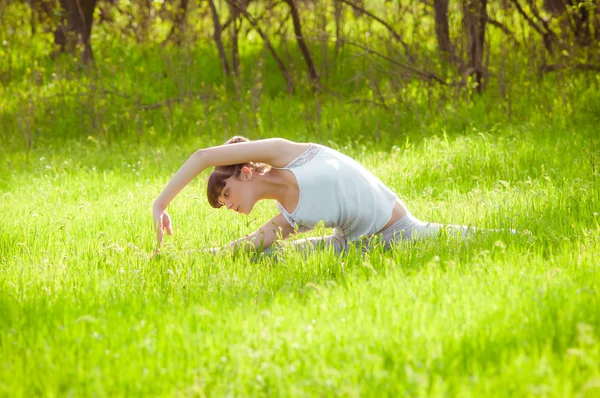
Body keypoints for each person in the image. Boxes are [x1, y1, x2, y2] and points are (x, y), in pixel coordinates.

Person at [153, 136, 495, 255]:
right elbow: (250, 243)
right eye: (223, 204)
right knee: (262, 256)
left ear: (245, 172)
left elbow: (203, 157)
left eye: (226, 193)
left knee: (494, 241)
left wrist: (160, 204)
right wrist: (194, 257)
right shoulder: (288, 215)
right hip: (349, 246)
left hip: (400, 230)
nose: (227, 204)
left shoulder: (287, 155)